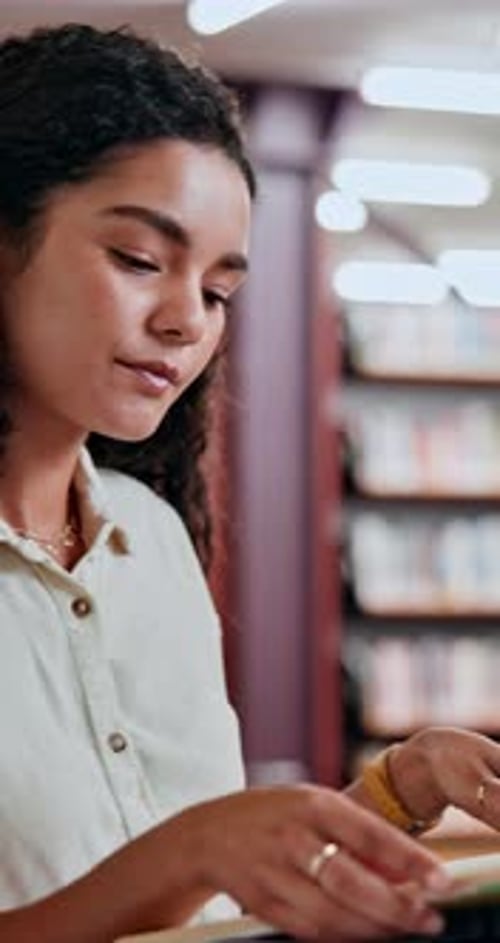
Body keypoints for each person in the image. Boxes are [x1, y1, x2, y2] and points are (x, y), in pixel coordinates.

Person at [0, 21, 500, 943]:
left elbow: (210, 910)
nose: (187, 317)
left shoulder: (148, 536)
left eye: (220, 289)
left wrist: (397, 792)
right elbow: (180, 864)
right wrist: (192, 850)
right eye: (140, 260)